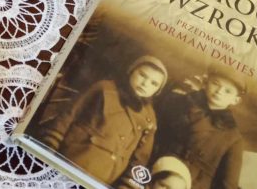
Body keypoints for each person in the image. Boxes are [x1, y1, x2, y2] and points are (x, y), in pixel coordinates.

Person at [37, 55, 169, 185]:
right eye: (142, 75)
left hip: (103, 178)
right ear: (131, 71)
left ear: (158, 91)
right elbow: (69, 114)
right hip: (73, 158)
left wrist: (127, 185)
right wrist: (49, 147)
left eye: (154, 83)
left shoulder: (149, 118)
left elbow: (140, 158)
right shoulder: (105, 89)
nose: (145, 84)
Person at [153, 67, 245, 189]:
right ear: (206, 82)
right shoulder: (176, 102)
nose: (219, 91)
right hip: (155, 173)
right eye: (216, 83)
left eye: (228, 91)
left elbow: (228, 184)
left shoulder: (232, 137)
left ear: (236, 100)